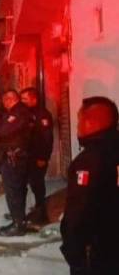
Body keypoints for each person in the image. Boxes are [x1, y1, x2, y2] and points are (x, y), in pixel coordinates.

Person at [60, 97, 119, 274]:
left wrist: (73, 254)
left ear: (91, 122)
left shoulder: (88, 161)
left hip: (100, 252)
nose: (77, 126)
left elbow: (78, 214)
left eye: (79, 120)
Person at [0, 90, 31, 236]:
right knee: (16, 191)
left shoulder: (18, 113)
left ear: (9, 99)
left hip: (15, 158)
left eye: (4, 101)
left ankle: (18, 224)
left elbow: (3, 130)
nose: (4, 104)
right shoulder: (16, 111)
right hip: (13, 157)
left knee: (14, 191)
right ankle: (18, 219)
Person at [20, 87, 53, 225]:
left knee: (38, 186)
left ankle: (42, 214)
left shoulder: (42, 115)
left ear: (34, 99)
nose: (22, 101)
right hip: (28, 156)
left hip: (38, 157)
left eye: (25, 99)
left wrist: (43, 158)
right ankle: (33, 211)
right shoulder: (28, 113)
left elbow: (47, 138)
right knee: (30, 184)